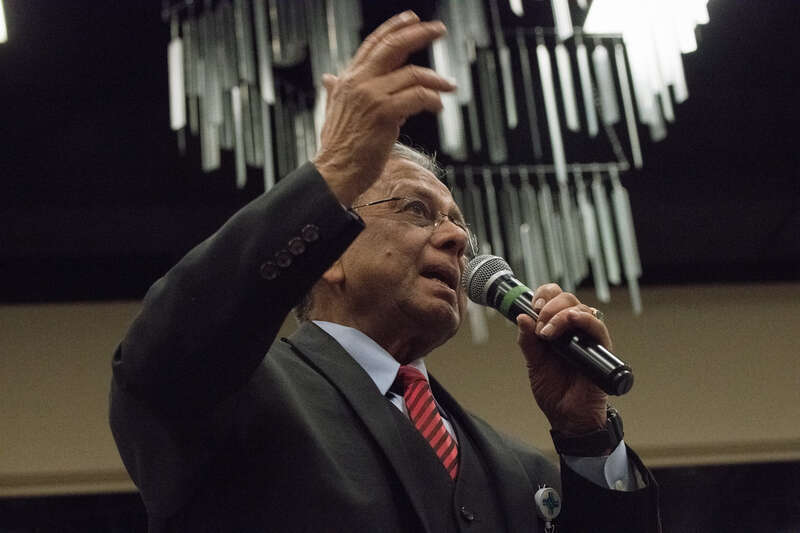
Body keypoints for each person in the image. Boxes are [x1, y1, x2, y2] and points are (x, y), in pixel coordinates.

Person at [110, 11, 661, 532]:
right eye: (416, 210)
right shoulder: (237, 396)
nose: (457, 238)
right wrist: (337, 169)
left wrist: (586, 438)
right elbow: (161, 356)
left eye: (458, 223)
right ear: (327, 255)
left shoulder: (522, 471)